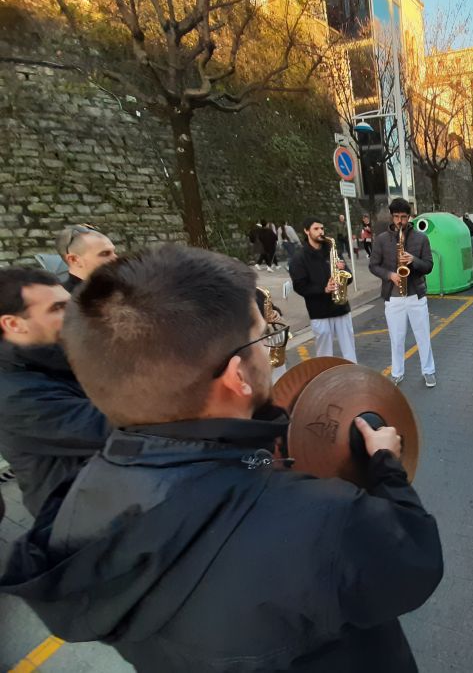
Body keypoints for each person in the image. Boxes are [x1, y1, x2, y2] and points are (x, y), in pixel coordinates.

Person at [0, 245, 443, 672]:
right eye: (262, 337)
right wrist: (385, 466)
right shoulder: (325, 522)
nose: (268, 353)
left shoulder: (75, 507)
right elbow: (414, 564)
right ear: (237, 376)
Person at [0, 267, 109, 516]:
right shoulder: (13, 394)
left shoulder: (57, 356)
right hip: (76, 516)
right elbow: (113, 426)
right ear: (13, 324)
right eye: (57, 308)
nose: (74, 314)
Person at [370, 198, 436, 387]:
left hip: (416, 295)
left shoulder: (421, 238)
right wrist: (390, 275)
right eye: (397, 217)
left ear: (410, 217)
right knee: (396, 338)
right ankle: (397, 372)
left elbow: (429, 266)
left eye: (404, 217)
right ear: (392, 217)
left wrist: (413, 260)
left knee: (423, 336)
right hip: (393, 296)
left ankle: (429, 371)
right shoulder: (382, 240)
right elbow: (373, 265)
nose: (400, 221)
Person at [289, 217, 358, 362]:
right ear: (306, 231)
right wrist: (323, 289)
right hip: (319, 312)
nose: (321, 232)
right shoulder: (299, 258)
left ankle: (353, 375)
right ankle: (324, 379)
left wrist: (343, 268)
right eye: (316, 229)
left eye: (322, 228)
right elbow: (300, 286)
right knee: (324, 354)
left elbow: (349, 277)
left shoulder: (332, 250)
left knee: (350, 349)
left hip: (341, 308)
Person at [55, 224, 117, 293]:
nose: (115, 258)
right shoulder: (62, 299)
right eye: (105, 254)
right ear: (74, 260)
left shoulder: (118, 290)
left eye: (113, 252)